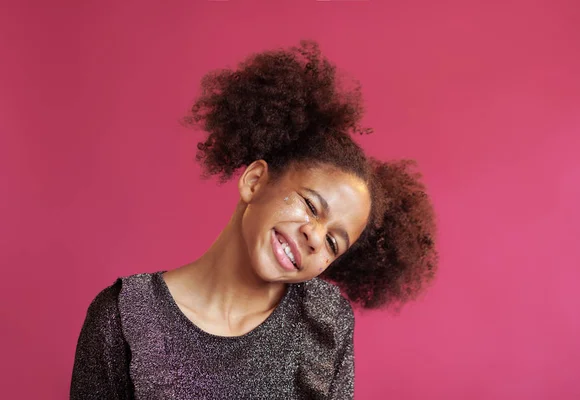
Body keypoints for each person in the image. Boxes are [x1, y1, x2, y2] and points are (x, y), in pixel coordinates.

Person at [70, 40, 439, 400]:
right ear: (255, 181)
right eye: (311, 206)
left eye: (332, 243)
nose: (314, 236)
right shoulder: (124, 315)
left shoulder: (326, 321)